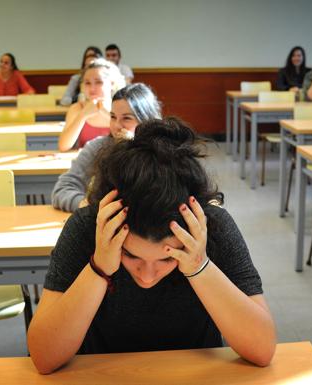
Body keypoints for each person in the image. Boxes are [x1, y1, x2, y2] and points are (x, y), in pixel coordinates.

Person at [27, 117, 277, 374]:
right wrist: (99, 267)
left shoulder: (211, 228)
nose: (147, 277)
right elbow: (44, 358)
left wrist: (199, 266)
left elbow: (262, 349)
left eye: (169, 259)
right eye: (131, 256)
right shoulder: (89, 227)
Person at [52, 83, 161, 212]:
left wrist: (132, 149)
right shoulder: (99, 146)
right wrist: (88, 208)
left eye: (126, 118)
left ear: (147, 120)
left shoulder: (162, 151)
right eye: (113, 117)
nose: (116, 125)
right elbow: (62, 189)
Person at [57, 58, 125, 152]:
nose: (92, 88)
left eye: (98, 82)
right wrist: (83, 115)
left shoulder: (122, 108)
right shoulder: (77, 108)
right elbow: (63, 147)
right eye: (87, 83)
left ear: (112, 84)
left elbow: (128, 144)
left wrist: (108, 114)